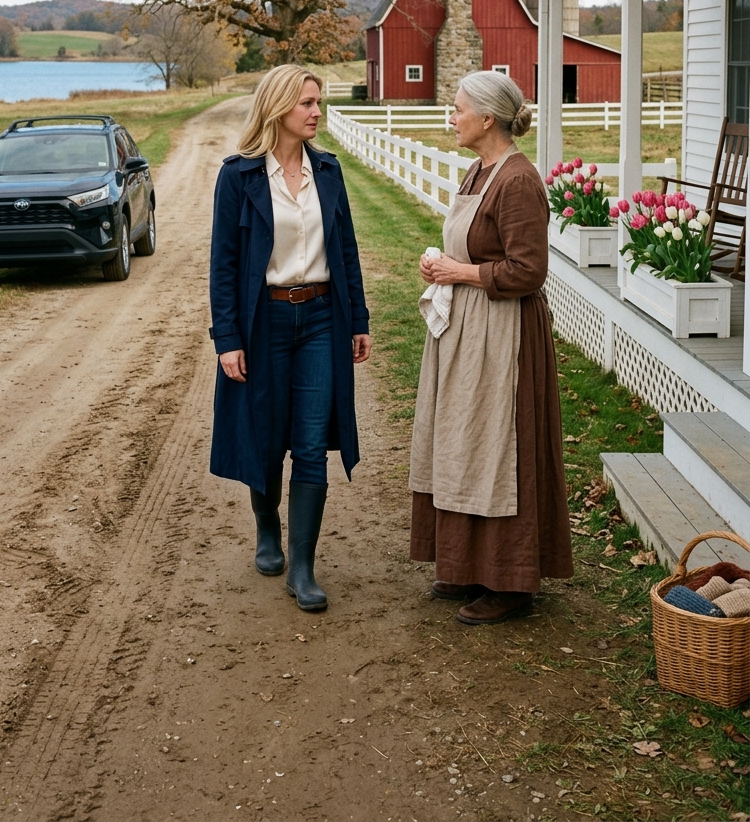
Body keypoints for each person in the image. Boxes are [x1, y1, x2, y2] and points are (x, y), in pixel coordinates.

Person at [409, 70, 573, 625]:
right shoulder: (479, 171)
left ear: (487, 118)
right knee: (465, 443)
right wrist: (442, 267)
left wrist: (460, 271)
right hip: (469, 331)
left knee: (500, 449)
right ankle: (468, 565)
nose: (450, 117)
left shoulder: (519, 181)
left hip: (505, 337)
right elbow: (473, 248)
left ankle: (511, 580)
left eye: (457, 109)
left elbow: (529, 272)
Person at [209, 65, 371, 612]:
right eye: (307, 103)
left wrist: (359, 320)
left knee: (309, 442)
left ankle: (303, 567)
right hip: (264, 324)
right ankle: (266, 530)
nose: (316, 112)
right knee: (264, 435)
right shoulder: (240, 177)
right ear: (279, 107)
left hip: (322, 318)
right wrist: (227, 338)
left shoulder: (329, 170)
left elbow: (345, 251)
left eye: (317, 102)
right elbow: (224, 267)